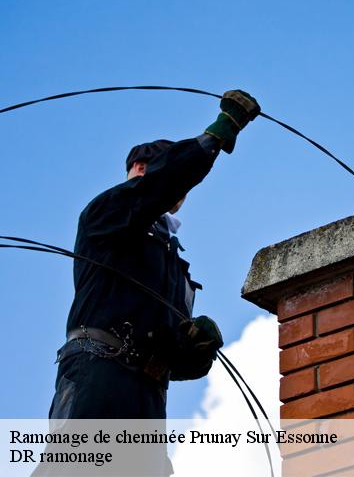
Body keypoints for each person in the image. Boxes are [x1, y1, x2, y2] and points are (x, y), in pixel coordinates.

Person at [34, 90, 260, 475]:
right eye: (175, 179)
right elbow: (159, 187)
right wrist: (216, 136)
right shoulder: (107, 213)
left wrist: (196, 348)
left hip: (147, 398)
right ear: (140, 169)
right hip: (98, 375)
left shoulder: (173, 265)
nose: (181, 194)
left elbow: (175, 361)